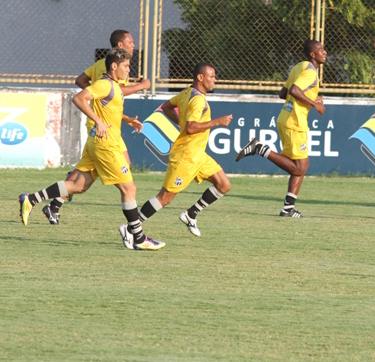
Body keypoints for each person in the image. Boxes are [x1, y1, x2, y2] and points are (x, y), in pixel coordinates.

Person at [18, 48, 164, 250]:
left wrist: (126, 120)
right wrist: (98, 121)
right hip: (106, 145)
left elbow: (107, 110)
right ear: (114, 66)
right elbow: (79, 98)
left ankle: (31, 199)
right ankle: (138, 238)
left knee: (78, 186)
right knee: (128, 188)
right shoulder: (105, 84)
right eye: (126, 66)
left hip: (98, 143)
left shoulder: (113, 86)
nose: (129, 70)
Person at [42, 29, 150, 225]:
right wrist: (140, 86)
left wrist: (123, 117)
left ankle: (54, 202)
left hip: (107, 123)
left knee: (101, 171)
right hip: (102, 126)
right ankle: (134, 229)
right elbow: (117, 91)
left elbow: (84, 83)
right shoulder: (116, 67)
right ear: (119, 46)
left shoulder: (102, 64)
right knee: (112, 175)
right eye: (130, 41)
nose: (133, 45)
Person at [127, 62, 233, 242]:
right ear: (200, 78)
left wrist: (180, 122)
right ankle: (131, 228)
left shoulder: (186, 93)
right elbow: (191, 128)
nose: (215, 79)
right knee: (165, 197)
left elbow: (166, 107)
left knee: (224, 185)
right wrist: (217, 122)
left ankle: (191, 214)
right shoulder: (197, 99)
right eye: (212, 76)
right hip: (186, 156)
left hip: (198, 155)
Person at [235, 39, 327, 217]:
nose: (325, 52)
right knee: (299, 168)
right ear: (312, 54)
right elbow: (293, 90)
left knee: (302, 165)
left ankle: (287, 209)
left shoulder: (299, 67)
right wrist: (315, 105)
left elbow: (282, 93)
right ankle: (259, 148)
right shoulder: (311, 73)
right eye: (321, 50)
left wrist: (309, 98)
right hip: (295, 121)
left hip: (286, 117)